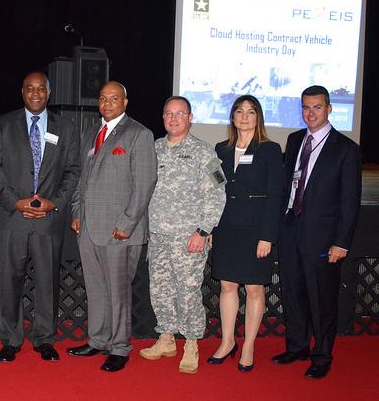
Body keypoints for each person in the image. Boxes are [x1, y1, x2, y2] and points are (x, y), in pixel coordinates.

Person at [0, 71, 80, 362]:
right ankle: (10, 340)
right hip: (13, 218)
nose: (36, 93)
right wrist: (15, 202)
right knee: (9, 281)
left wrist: (55, 203)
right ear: (22, 92)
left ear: (49, 93)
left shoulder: (66, 127)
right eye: (30, 88)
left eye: (41, 88)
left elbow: (74, 170)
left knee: (47, 282)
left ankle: (44, 339)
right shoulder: (3, 124)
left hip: (48, 220)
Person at [272, 85, 361, 379]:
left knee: (321, 299)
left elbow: (350, 202)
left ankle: (322, 356)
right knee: (292, 293)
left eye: (317, 107)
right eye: (306, 108)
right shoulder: (295, 139)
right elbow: (289, 185)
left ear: (329, 108)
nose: (311, 113)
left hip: (323, 238)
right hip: (290, 229)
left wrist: (341, 243)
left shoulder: (347, 149)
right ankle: (297, 346)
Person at [67, 81, 157, 372]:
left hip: (120, 231)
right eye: (103, 98)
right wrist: (77, 211)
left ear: (125, 102)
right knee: (95, 289)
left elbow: (145, 184)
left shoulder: (139, 134)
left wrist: (128, 224)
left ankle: (119, 347)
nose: (107, 103)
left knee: (118, 293)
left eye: (114, 98)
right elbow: (83, 179)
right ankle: (98, 340)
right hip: (89, 228)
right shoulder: (92, 131)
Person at [140, 96, 225, 374]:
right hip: (159, 237)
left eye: (180, 114)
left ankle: (191, 342)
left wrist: (203, 230)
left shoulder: (204, 152)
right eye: (168, 114)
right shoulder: (153, 150)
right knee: (160, 289)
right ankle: (166, 338)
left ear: (190, 117)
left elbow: (217, 194)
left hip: (189, 238)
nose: (174, 119)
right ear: (162, 117)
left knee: (187, 292)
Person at [207, 95, 283, 372]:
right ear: (233, 116)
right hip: (227, 227)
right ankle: (227, 341)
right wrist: (213, 225)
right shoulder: (221, 149)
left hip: (255, 230)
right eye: (239, 111)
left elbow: (276, 196)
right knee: (227, 286)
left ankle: (248, 345)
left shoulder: (270, 149)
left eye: (251, 112)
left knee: (253, 288)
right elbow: (215, 191)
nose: (244, 116)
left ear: (258, 117)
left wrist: (268, 236)